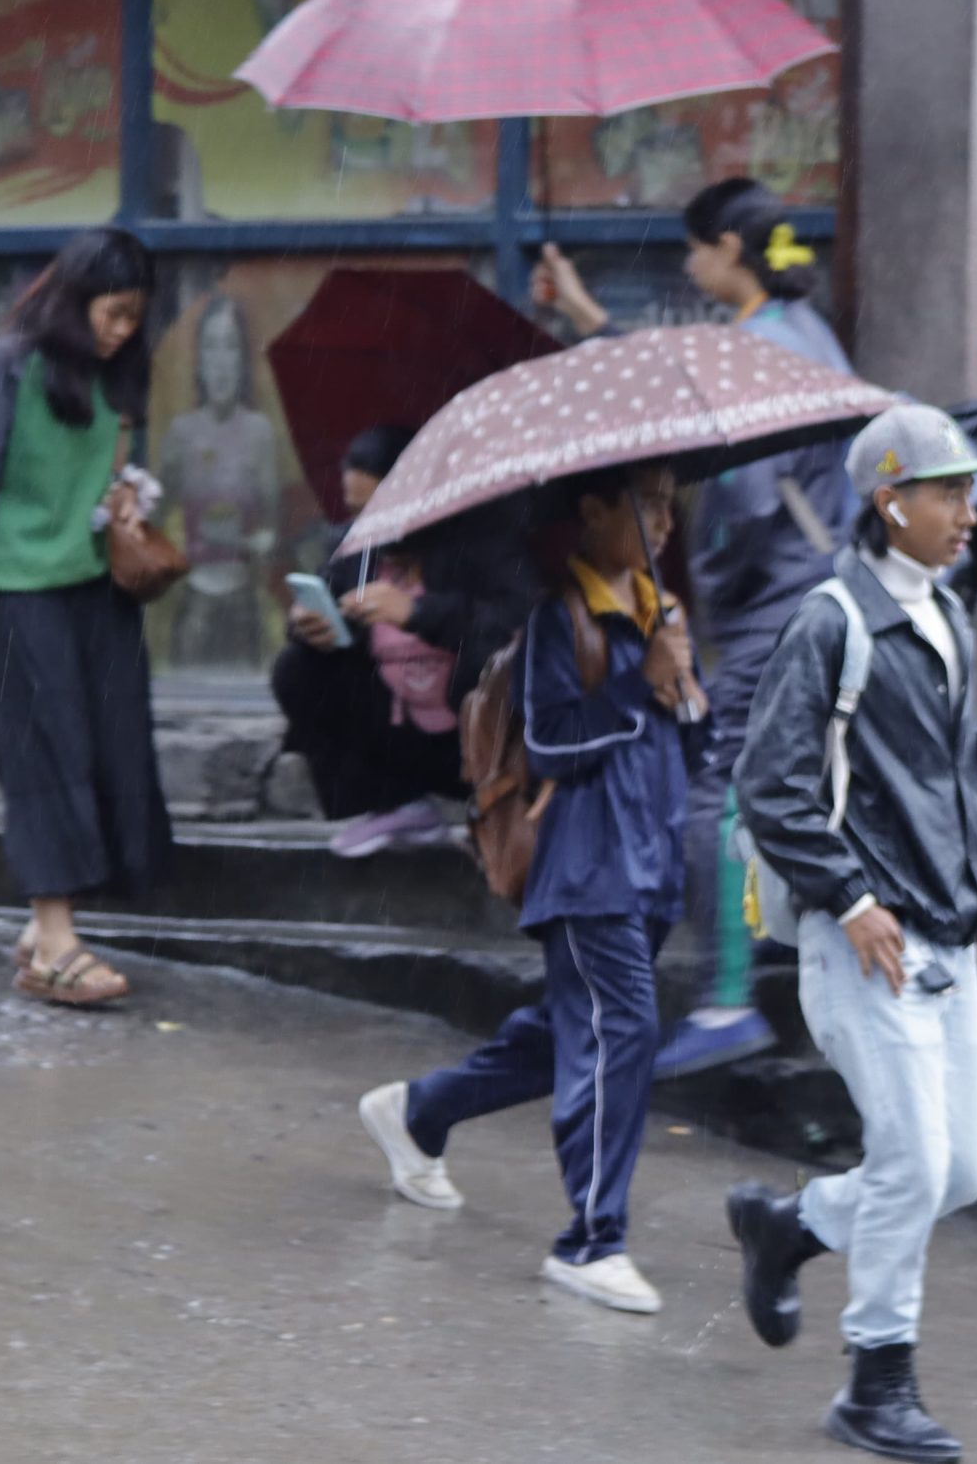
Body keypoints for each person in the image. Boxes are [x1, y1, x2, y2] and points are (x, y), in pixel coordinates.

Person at [728, 404, 977, 1463]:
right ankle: (876, 1383)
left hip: (948, 932)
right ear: (889, 500)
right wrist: (851, 896)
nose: (969, 510)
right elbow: (767, 786)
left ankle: (794, 1224)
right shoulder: (830, 620)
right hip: (866, 936)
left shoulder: (945, 615)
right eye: (948, 491)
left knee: (965, 1167)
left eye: (970, 490)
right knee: (915, 1162)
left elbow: (933, 780)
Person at [356, 463, 705, 1317]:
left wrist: (683, 685)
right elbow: (551, 741)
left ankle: (416, 1113)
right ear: (592, 513)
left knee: (563, 1039)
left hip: (650, 869)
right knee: (622, 1031)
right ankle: (592, 1240)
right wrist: (636, 680)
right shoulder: (563, 618)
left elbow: (692, 750)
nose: (664, 521)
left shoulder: (659, 618)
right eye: (646, 503)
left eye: (669, 504)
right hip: (589, 870)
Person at [536, 178, 857, 1078]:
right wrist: (588, 316)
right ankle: (787, 957)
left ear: (726, 249)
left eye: (692, 248)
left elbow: (746, 500)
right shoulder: (799, 332)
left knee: (720, 788)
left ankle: (726, 999)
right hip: (824, 593)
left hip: (776, 604)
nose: (685, 264)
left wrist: (692, 558)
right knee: (796, 783)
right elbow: (676, 385)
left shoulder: (753, 349)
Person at [0, 227, 172, 1007]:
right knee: (45, 755)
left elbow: (115, 470)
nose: (122, 329)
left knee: (115, 750)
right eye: (112, 311)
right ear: (75, 297)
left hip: (99, 590)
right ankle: (56, 940)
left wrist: (133, 493)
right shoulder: (12, 365)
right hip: (19, 590)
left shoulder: (123, 377)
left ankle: (47, 928)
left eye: (135, 316)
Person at [270, 425, 536, 858]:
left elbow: (514, 627)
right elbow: (325, 607)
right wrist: (311, 625)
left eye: (375, 509)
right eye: (356, 512)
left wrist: (417, 613)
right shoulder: (355, 549)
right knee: (295, 669)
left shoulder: (483, 541)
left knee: (493, 666)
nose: (366, 524)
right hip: (396, 733)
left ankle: (496, 805)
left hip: (468, 744)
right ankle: (394, 802)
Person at [161, 295, 281, 668]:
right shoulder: (182, 432)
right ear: (199, 359)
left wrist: (249, 543)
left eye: (230, 346)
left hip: (244, 605)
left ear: (243, 359)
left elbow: (275, 533)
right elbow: (150, 524)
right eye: (210, 346)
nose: (220, 362)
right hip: (193, 602)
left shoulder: (258, 432)